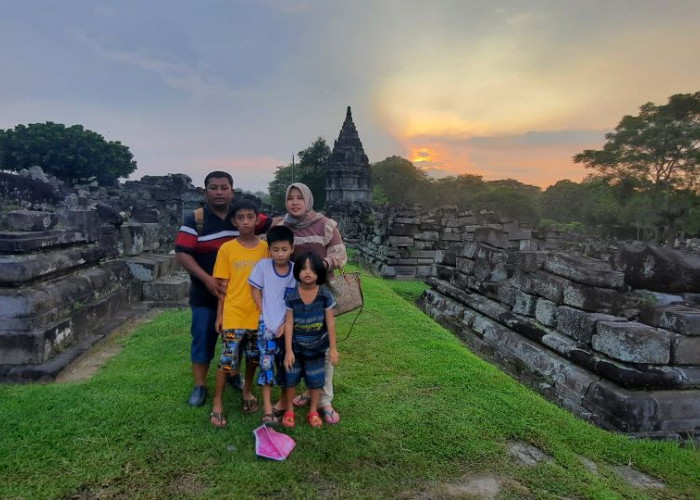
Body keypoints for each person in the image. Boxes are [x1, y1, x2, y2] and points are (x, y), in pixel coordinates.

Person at [175, 172, 270, 407]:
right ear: (205, 191)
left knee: (238, 340)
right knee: (203, 339)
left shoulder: (241, 214)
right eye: (214, 187)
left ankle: (233, 376)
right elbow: (182, 253)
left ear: (232, 191)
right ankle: (199, 385)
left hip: (240, 297)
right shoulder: (195, 219)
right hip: (205, 294)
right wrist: (207, 279)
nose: (219, 192)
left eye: (224, 187)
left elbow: (277, 223)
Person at [274, 182, 347, 425]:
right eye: (290, 198)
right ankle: (294, 395)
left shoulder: (325, 225)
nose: (295, 202)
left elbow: (340, 255)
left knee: (322, 347)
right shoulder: (281, 225)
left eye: (299, 198)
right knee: (291, 344)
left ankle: (324, 400)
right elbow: (271, 252)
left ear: (308, 200)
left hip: (320, 294)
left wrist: (321, 265)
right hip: (291, 295)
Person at [209, 199, 269, 428]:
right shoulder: (227, 249)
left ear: (257, 219)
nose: (245, 222)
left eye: (250, 217)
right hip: (233, 313)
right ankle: (217, 402)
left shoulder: (265, 249)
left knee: (254, 359)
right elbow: (222, 286)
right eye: (241, 217)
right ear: (234, 221)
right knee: (227, 361)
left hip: (257, 315)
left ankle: (247, 391)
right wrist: (219, 316)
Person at [281, 252, 339, 428]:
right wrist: (288, 350)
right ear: (297, 270)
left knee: (316, 380)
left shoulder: (324, 294)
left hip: (318, 347)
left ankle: (313, 410)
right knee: (290, 378)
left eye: (313, 269)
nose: (308, 272)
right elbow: (289, 323)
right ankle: (289, 410)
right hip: (296, 346)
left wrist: (334, 349)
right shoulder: (291, 295)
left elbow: (330, 322)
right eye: (304, 268)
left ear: (319, 273)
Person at [248, 225, 297, 424]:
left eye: (284, 249)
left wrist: (285, 324)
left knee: (286, 365)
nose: (280, 254)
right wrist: (264, 313)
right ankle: (268, 409)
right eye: (275, 250)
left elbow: (295, 302)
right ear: (269, 249)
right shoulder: (263, 266)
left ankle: (284, 402)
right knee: (266, 365)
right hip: (266, 327)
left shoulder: (296, 271)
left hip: (287, 327)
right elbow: (254, 290)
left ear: (292, 248)